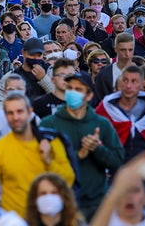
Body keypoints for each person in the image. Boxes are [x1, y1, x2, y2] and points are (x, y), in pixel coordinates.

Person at [40, 72, 124, 220]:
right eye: (70, 88)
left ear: (89, 96)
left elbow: (118, 162)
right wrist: (78, 154)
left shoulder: (101, 123)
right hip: (61, 203)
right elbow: (43, 162)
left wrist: (97, 149)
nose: (72, 93)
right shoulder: (49, 124)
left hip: (96, 203)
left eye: (78, 90)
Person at [0, 93, 75, 218]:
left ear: (30, 112)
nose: (15, 117)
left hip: (50, 219)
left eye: (20, 111)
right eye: (10, 113)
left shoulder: (51, 142)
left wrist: (48, 160)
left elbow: (68, 180)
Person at [95, 65, 145, 162]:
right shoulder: (107, 106)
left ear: (141, 85)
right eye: (125, 80)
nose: (128, 86)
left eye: (134, 81)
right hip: (115, 166)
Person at [0, 38, 54, 105]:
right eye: (32, 55)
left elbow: (59, 96)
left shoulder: (50, 70)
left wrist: (44, 78)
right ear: (23, 53)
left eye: (39, 55)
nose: (36, 58)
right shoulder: (11, 76)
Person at [94, 33, 136, 103]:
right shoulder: (103, 74)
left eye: (130, 50)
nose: (127, 54)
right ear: (115, 49)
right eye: (123, 50)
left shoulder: (141, 72)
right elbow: (98, 100)